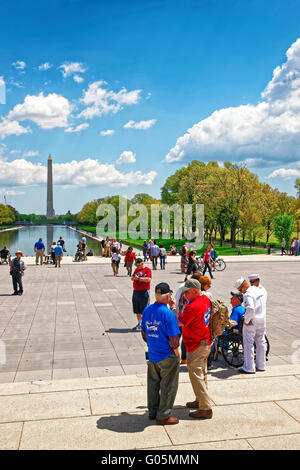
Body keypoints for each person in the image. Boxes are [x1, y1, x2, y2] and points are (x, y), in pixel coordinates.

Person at [141, 282, 180, 425]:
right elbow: (174, 339)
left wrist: (152, 343)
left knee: (153, 384)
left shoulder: (147, 310)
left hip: (153, 353)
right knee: (168, 385)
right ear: (168, 295)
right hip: (167, 354)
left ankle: (152, 410)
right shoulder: (168, 314)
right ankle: (163, 415)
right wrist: (176, 353)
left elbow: (144, 333)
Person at [178, 279, 213, 419]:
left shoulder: (193, 306)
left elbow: (181, 322)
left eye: (187, 291)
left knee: (196, 376)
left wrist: (174, 311)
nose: (184, 294)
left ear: (195, 291)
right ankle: (200, 400)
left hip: (196, 345)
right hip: (205, 342)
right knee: (202, 373)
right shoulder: (205, 299)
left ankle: (205, 408)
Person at [235, 275, 267, 374]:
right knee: (261, 342)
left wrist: (246, 321)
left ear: (244, 285)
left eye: (240, 289)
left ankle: (249, 367)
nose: (241, 292)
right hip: (262, 320)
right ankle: (261, 365)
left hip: (252, 322)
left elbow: (250, 309)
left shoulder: (248, 293)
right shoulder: (261, 290)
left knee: (248, 344)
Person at [131, 258, 152, 331]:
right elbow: (132, 277)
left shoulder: (147, 270)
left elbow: (149, 279)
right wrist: (133, 278)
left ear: (142, 263)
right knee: (137, 309)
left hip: (144, 291)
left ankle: (146, 324)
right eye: (136, 265)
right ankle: (139, 323)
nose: (137, 267)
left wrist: (138, 279)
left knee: (145, 309)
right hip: (136, 291)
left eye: (138, 265)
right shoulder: (137, 270)